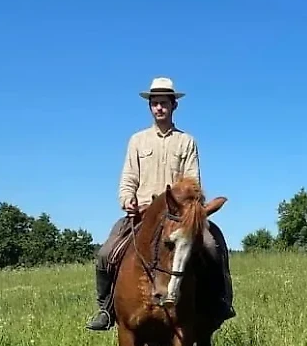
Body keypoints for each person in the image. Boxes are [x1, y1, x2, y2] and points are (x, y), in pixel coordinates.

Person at [85, 77, 236, 331]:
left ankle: (218, 303)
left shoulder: (186, 142)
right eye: (155, 103)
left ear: (173, 105)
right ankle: (106, 309)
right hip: (142, 214)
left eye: (164, 103)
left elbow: (193, 184)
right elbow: (128, 178)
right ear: (150, 107)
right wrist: (127, 200)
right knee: (105, 254)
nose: (159, 108)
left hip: (177, 216)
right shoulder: (137, 141)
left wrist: (185, 207)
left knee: (212, 246)